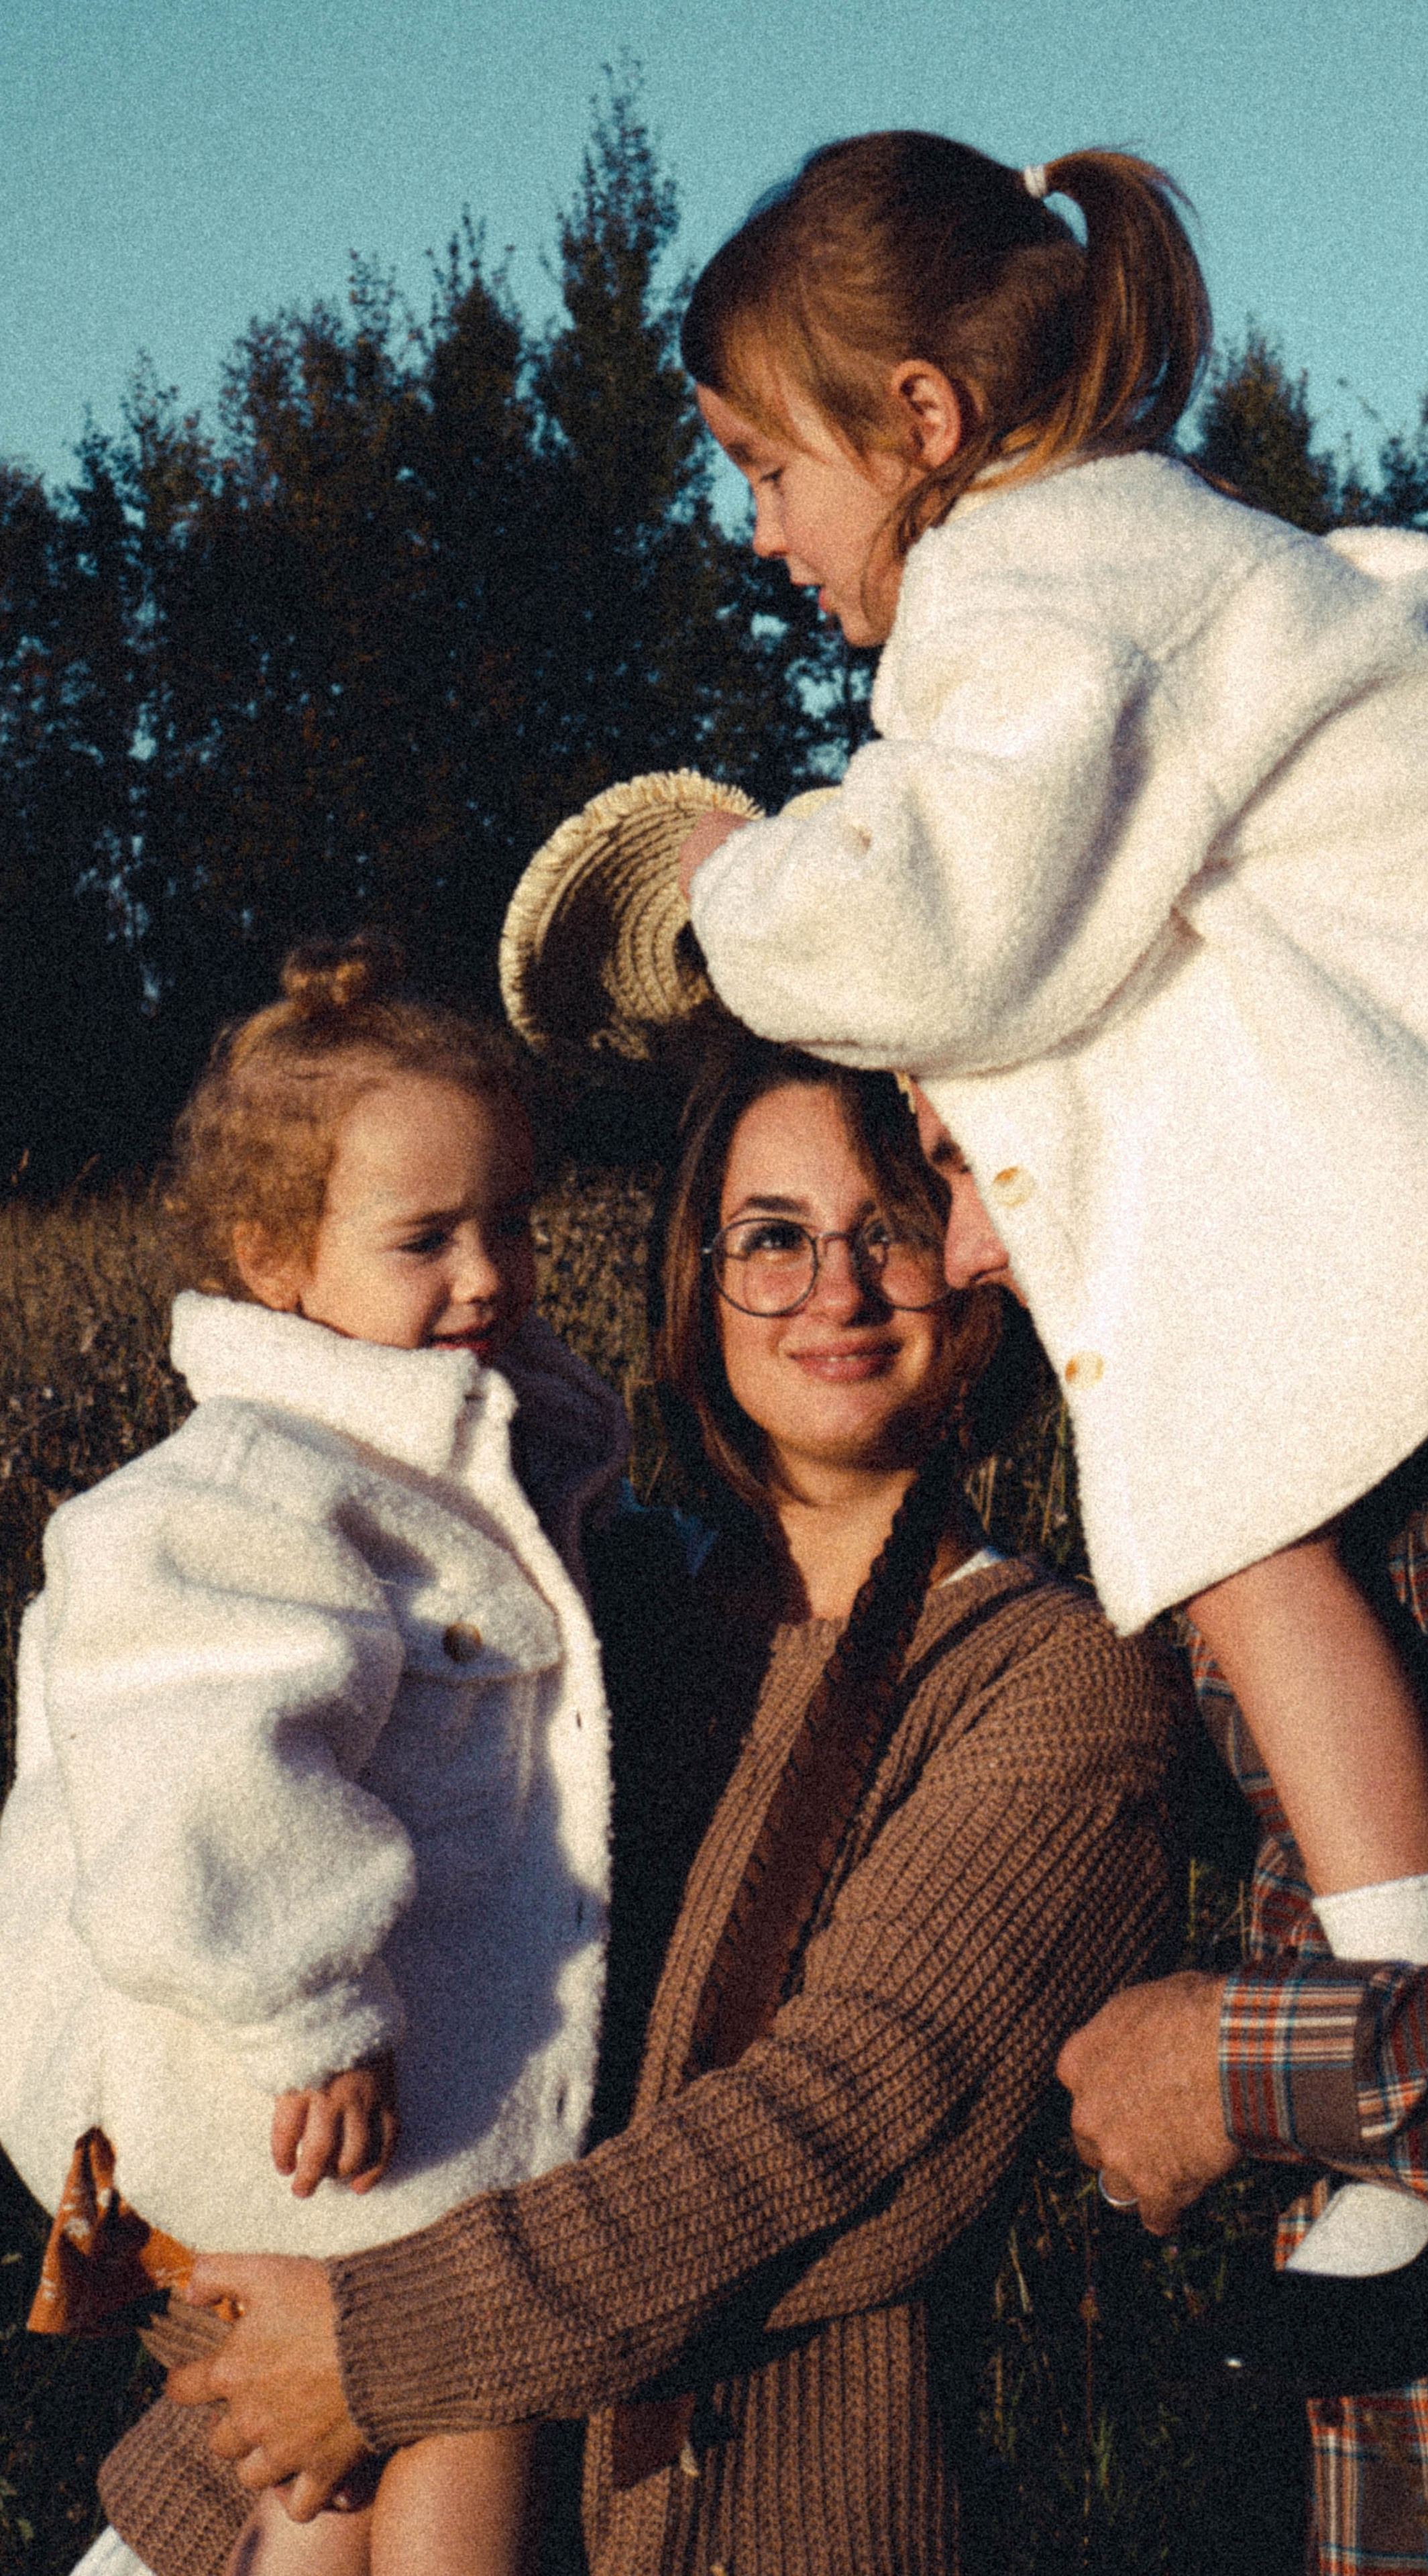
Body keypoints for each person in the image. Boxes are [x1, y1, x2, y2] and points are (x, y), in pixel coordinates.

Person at [653, 125, 1428, 2564]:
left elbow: (945, 917)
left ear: (919, 423)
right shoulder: (1363, 1409)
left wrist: (742, 888)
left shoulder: (1039, 593)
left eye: (765, 467)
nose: (753, 536)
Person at [91, 1030, 1178, 2576]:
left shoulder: (1049, 1683)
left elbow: (847, 2129)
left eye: (892, 1231)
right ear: (697, 1273)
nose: (837, 1291)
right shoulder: (574, 1611)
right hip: (284, 2473)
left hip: (729, 2514)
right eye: (772, 1240)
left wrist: (379, 2351)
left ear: (985, 1254)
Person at [0, 936, 628, 2576]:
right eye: (426, 1241)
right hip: (292, 2077)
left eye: (510, 1227)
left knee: (328, 2480)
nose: (487, 1277)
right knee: (459, 2394)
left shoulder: (420, 1444)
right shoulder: (243, 1495)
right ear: (278, 1264)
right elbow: (202, 1775)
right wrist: (311, 2005)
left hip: (352, 2097)